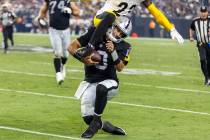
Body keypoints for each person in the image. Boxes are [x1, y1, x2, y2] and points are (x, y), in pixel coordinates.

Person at [68, 16, 132, 138]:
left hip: (110, 82)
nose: (118, 34)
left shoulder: (125, 46)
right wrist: (83, 59)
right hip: (91, 81)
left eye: (122, 34)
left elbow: (120, 68)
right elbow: (71, 47)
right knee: (87, 118)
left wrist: (113, 52)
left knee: (101, 88)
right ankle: (106, 126)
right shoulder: (95, 33)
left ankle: (96, 122)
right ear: (113, 26)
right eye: (117, 29)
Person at [80, 0, 184, 57]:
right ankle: (90, 46)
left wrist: (171, 28)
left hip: (117, 25)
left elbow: (156, 12)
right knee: (110, 16)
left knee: (122, 41)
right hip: (101, 19)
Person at [37, 0, 80, 84]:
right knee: (57, 52)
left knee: (65, 54)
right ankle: (58, 74)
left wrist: (70, 11)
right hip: (53, 30)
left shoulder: (68, 1)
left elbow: (77, 12)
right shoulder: (49, 1)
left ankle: (63, 65)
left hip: (66, 30)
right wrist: (40, 18)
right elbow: (42, 11)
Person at [189, 6, 210, 86]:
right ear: (199, 12)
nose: (203, 13)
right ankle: (207, 78)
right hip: (201, 43)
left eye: (205, 12)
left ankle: (209, 77)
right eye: (202, 12)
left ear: (207, 12)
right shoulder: (195, 21)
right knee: (202, 59)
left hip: (209, 43)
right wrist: (191, 36)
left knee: (209, 61)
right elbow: (191, 28)